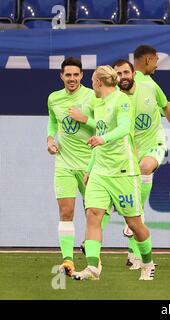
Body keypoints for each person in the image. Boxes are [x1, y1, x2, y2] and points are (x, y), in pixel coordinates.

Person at [71, 66, 155, 281]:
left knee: (134, 223)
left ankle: (148, 263)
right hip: (100, 171)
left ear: (99, 82)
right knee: (93, 216)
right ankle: (92, 267)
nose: (91, 84)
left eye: (91, 80)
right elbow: (98, 137)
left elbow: (125, 128)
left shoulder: (122, 100)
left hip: (123, 172)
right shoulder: (98, 104)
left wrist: (103, 139)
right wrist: (90, 169)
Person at [113, 47, 170, 269]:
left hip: (153, 144)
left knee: (145, 169)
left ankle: (133, 225)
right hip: (128, 150)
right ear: (148, 59)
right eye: (156, 60)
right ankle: (133, 255)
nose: (157, 64)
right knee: (135, 212)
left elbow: (164, 108)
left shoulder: (149, 84)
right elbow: (165, 106)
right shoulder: (115, 94)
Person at [47, 57, 97, 277]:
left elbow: (104, 125)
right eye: (68, 75)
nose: (72, 79)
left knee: (95, 214)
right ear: (61, 76)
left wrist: (83, 118)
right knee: (66, 212)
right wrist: (50, 139)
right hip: (64, 164)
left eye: (76, 75)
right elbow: (53, 121)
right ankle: (67, 260)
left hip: (90, 165)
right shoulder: (54, 98)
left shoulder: (92, 96)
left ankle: (92, 255)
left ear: (82, 76)